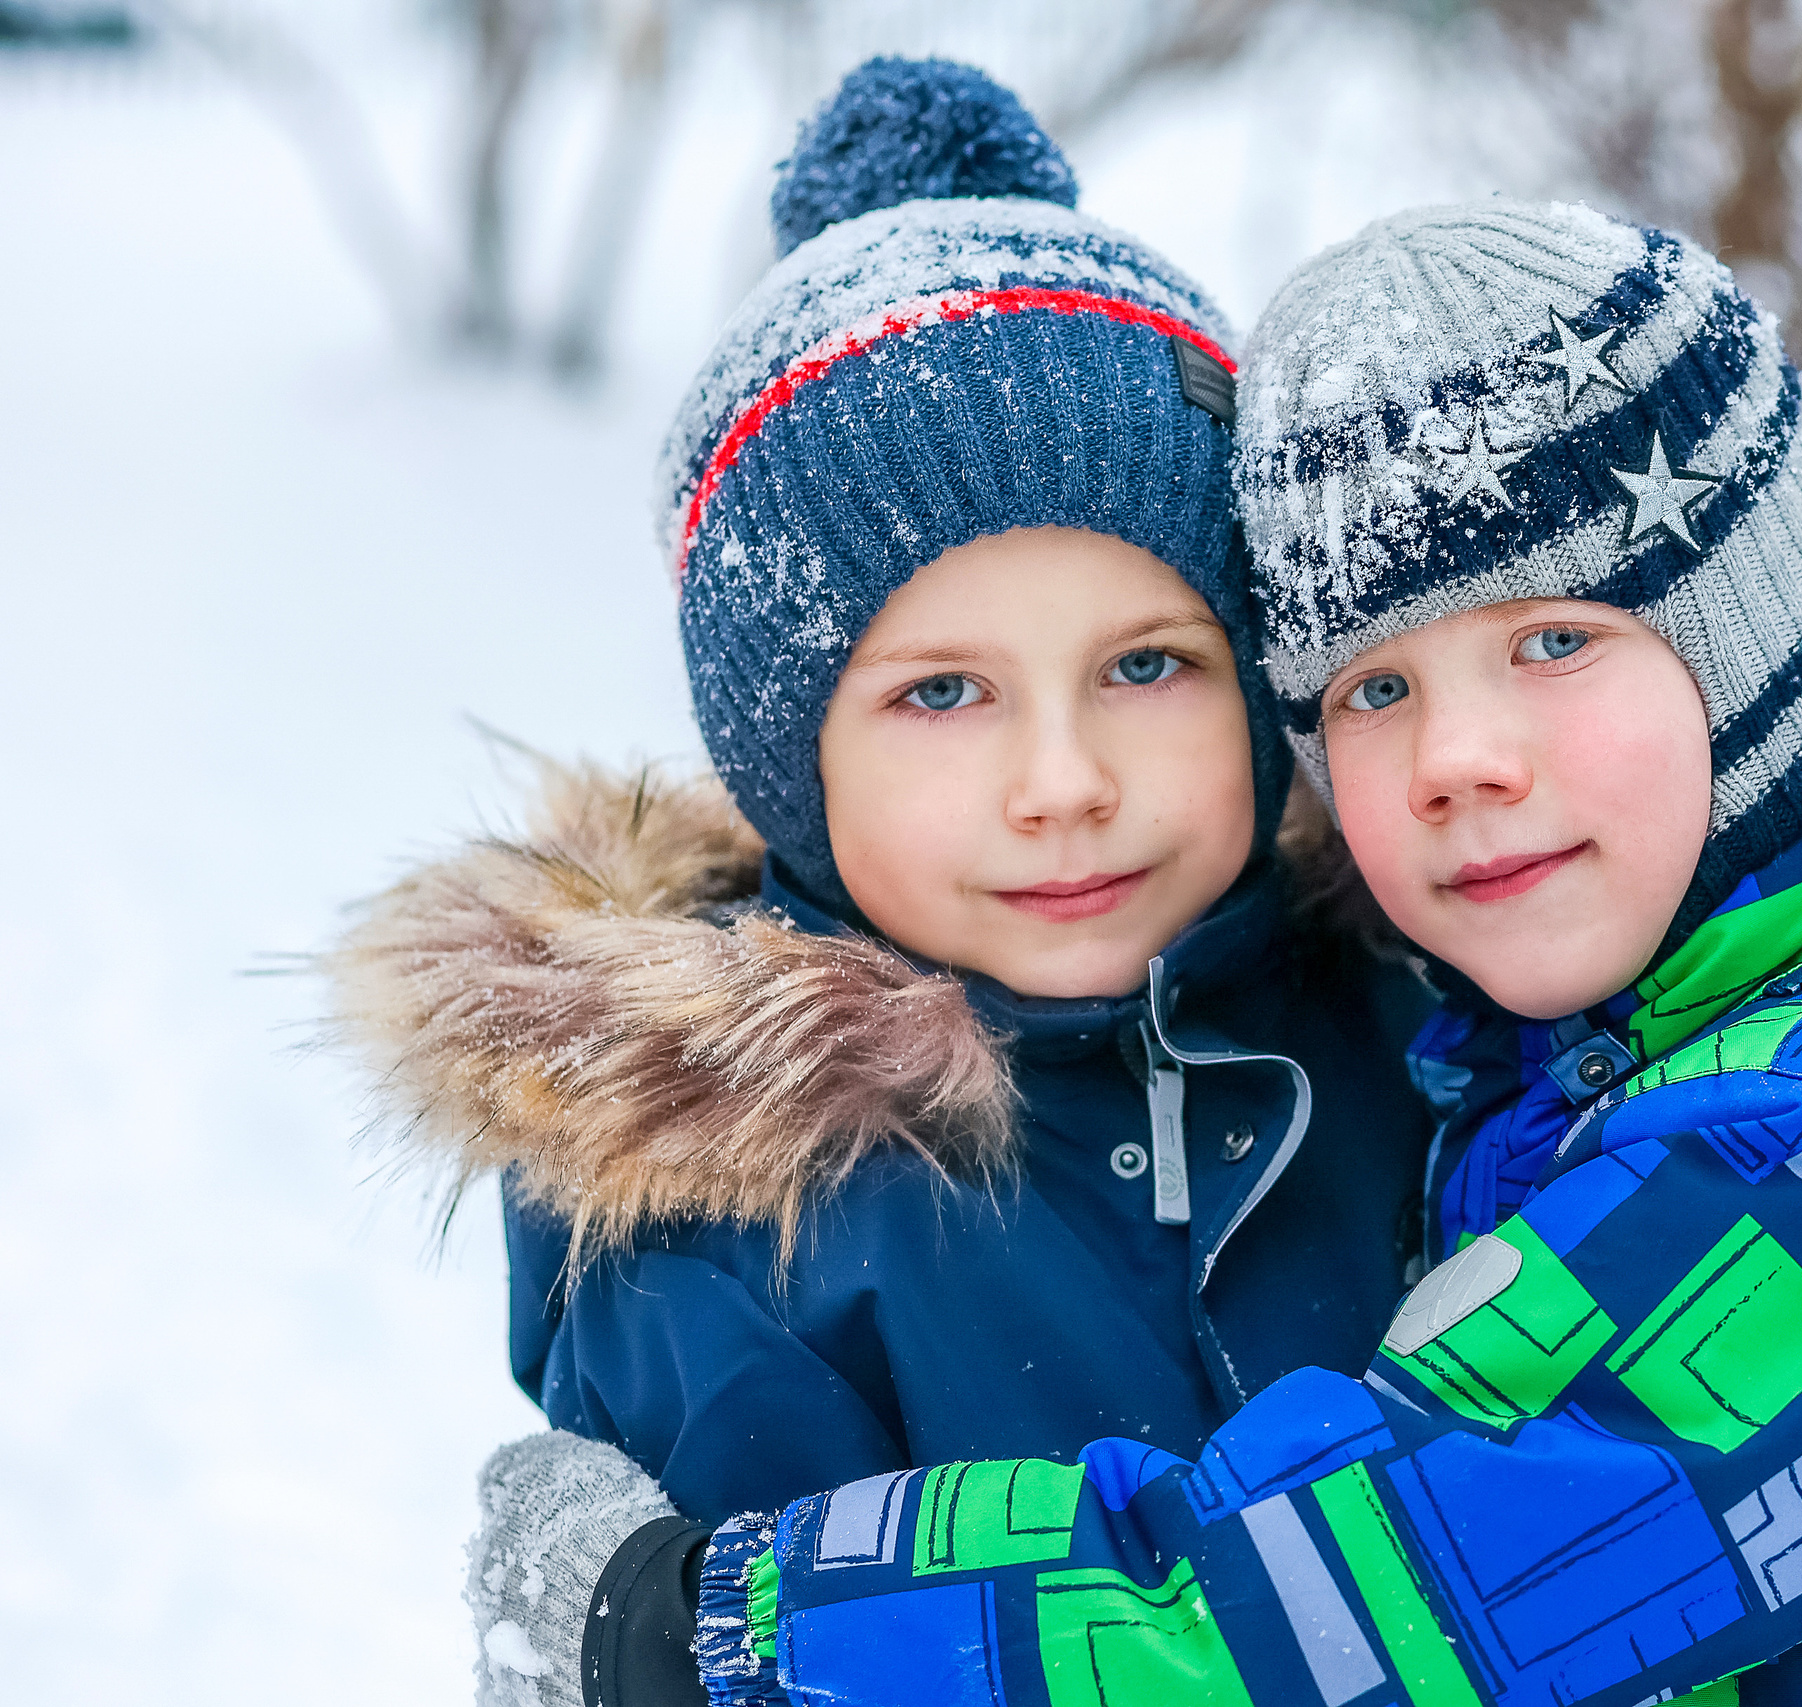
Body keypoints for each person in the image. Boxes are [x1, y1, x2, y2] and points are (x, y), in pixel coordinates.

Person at [665, 201, 1802, 1707]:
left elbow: (1298, 1618)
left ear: (1767, 659)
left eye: (1555, 641)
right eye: (1376, 688)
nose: (1459, 756)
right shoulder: (1630, 1059)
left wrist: (712, 1623)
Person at [322, 62, 1433, 1707]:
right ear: (795, 768)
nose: (1064, 781)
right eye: (943, 693)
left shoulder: (1434, 1026)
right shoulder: (728, 1234)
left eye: (1146, 665)